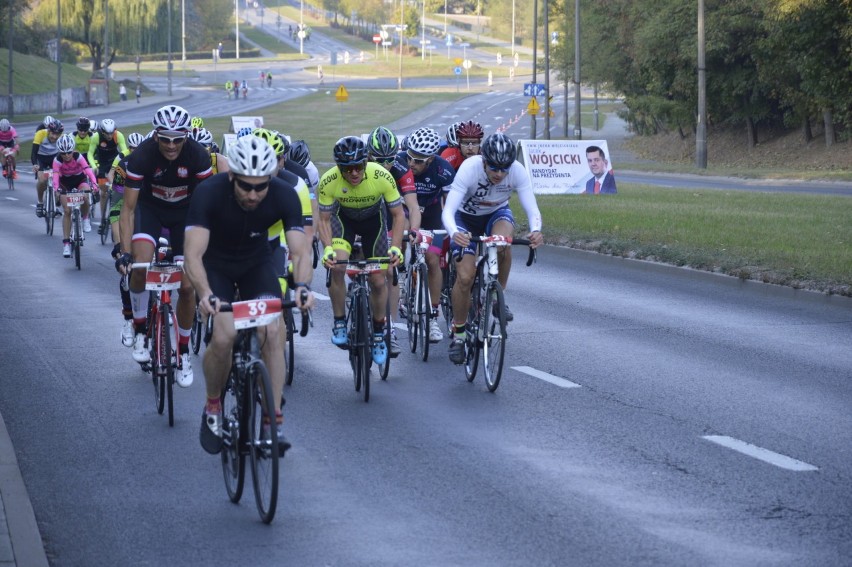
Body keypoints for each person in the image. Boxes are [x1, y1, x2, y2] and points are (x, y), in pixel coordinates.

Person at [183, 135, 314, 455]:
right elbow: (192, 256)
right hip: (217, 266)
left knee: (272, 330)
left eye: (261, 186)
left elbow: (300, 252)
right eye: (245, 186)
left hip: (257, 263)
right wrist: (204, 294)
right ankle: (213, 406)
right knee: (225, 335)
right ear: (232, 176)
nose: (254, 194)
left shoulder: (283, 194)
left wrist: (301, 287)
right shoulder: (209, 192)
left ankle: (273, 418)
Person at [116, 104, 213, 387]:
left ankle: (182, 352)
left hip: (186, 214)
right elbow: (128, 210)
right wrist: (124, 252)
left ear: (186, 137)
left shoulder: (198, 155)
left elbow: (206, 206)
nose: (171, 145)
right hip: (151, 210)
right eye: (166, 138)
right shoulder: (142, 156)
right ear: (156, 135)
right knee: (140, 268)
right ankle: (140, 328)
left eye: (178, 139)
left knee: (187, 285)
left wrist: (208, 248)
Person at [441, 132, 543, 364]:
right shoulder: (470, 168)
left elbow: (532, 209)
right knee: (465, 277)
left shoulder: (517, 171)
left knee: (503, 242)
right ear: (484, 161)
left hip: (496, 213)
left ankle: (497, 296)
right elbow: (448, 210)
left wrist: (536, 230)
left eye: (504, 169)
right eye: (494, 168)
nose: (499, 174)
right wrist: (454, 233)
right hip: (463, 217)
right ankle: (458, 335)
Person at [317, 136, 404, 365]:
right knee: (337, 267)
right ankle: (339, 322)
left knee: (377, 279)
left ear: (366, 164)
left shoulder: (381, 175)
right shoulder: (329, 181)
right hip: (343, 220)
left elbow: (397, 215)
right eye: (347, 169)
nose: (353, 173)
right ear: (339, 168)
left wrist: (396, 246)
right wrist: (327, 250)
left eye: (358, 167)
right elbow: (324, 220)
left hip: (373, 222)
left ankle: (378, 333)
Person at [366, 126, 421, 356]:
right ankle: (356, 294)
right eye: (380, 160)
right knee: (364, 265)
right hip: (364, 213)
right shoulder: (359, 168)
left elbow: (412, 206)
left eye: (390, 159)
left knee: (389, 272)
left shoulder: (400, 169)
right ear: (369, 156)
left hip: (390, 214)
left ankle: (389, 327)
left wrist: (414, 231)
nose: (385, 164)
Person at [401, 126, 455, 343]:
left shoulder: (444, 171)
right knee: (402, 236)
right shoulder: (399, 162)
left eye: (418, 160)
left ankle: (432, 316)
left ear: (431, 159)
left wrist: (450, 229)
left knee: (434, 260)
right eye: (410, 157)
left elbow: (450, 205)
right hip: (404, 209)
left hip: (433, 214)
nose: (411, 164)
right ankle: (403, 274)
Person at [105, 132, 145, 346]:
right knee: (127, 266)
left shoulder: (154, 163)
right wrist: (121, 245)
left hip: (147, 212)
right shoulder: (123, 164)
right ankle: (129, 318)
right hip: (125, 207)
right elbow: (119, 208)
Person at [52, 134, 99, 257]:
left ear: (73, 150)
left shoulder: (78, 157)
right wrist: (56, 189)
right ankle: (66, 244)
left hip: (80, 180)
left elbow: (88, 170)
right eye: (63, 153)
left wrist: (94, 184)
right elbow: (56, 176)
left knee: (86, 194)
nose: (67, 155)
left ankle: (85, 218)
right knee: (67, 211)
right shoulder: (57, 160)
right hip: (65, 184)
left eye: (69, 152)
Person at [88, 118, 129, 222]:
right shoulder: (96, 137)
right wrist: (93, 166)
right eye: (107, 133)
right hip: (102, 163)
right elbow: (90, 154)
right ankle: (103, 217)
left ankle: (117, 211)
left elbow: (124, 151)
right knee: (103, 193)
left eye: (111, 133)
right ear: (102, 131)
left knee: (118, 189)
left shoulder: (118, 135)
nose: (110, 136)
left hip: (115, 161)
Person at [31, 119, 64, 218]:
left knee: (61, 177)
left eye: (57, 134)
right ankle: (40, 203)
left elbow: (62, 155)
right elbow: (33, 153)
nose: (54, 137)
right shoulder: (40, 134)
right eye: (52, 133)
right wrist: (35, 164)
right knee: (42, 180)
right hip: (41, 159)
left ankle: (55, 199)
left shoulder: (61, 138)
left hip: (54, 158)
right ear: (48, 131)